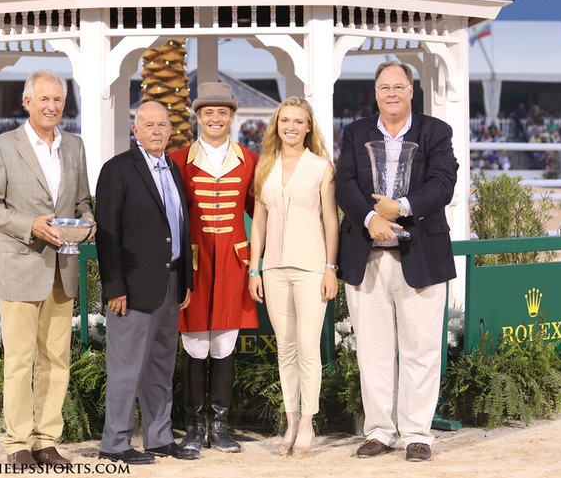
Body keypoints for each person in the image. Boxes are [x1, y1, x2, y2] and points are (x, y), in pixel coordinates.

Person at [335, 60, 458, 462]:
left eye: (399, 86)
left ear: (411, 90)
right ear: (376, 93)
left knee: (422, 349)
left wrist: (398, 208)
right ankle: (379, 431)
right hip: (367, 257)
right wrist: (371, 219)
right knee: (372, 350)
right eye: (384, 87)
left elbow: (443, 183)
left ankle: (417, 433)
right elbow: (345, 183)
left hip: (420, 256)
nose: (391, 93)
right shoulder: (355, 133)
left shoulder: (436, 132)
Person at [0, 69, 94, 467]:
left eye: (57, 99)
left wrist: (88, 223)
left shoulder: (74, 147)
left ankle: (46, 439)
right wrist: (30, 226)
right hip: (22, 267)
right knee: (20, 361)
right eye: (43, 99)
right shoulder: (2, 147)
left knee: (57, 360)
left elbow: (82, 202)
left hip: (63, 270)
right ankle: (17, 443)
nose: (51, 106)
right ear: (27, 102)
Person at [95, 101, 197, 465]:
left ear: (171, 131)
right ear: (134, 130)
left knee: (160, 366)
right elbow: (106, 234)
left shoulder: (172, 168)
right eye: (148, 125)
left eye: (162, 125)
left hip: (170, 284)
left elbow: (181, 227)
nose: (156, 131)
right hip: (132, 289)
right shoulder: (117, 170)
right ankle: (115, 443)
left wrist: (185, 278)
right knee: (125, 367)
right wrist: (114, 287)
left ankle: (159, 436)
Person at [170, 82, 259, 455]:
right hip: (195, 262)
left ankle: (220, 425)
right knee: (194, 342)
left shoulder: (251, 160)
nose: (216, 118)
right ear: (198, 116)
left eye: (223, 112)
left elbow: (263, 211)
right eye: (208, 112)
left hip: (235, 262)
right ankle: (193, 425)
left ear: (232, 117)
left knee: (224, 344)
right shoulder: (178, 160)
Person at [247, 97, 339, 457]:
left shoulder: (321, 168)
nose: (291, 127)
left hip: (312, 267)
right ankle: (291, 418)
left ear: (308, 127)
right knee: (284, 349)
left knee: (307, 348)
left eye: (298, 121)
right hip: (273, 269)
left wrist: (331, 268)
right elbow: (259, 223)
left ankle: (308, 422)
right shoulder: (264, 166)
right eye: (285, 120)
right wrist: (255, 268)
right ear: (277, 125)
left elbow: (331, 221)